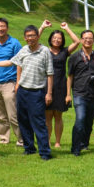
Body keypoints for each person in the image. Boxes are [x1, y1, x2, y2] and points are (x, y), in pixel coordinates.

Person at [0, 24, 54, 159]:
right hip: (22, 91)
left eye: (33, 35)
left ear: (38, 36)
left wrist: (49, 93)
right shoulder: (24, 50)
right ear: (25, 38)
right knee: (23, 121)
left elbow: (50, 74)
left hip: (37, 92)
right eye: (28, 36)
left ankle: (44, 152)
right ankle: (29, 148)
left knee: (38, 122)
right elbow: (10, 62)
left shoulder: (45, 51)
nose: (30, 38)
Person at [66, 28, 94, 156]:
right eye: (85, 38)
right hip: (79, 93)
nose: (88, 40)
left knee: (89, 121)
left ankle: (84, 144)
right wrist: (68, 95)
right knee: (80, 119)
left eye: (90, 38)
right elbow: (70, 76)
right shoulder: (74, 57)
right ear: (81, 40)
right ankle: (75, 148)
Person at [0, 17, 22, 145]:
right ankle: (4, 138)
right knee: (0, 114)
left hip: (10, 82)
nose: (0, 29)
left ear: (7, 28)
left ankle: (21, 139)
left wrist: (18, 82)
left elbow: (20, 63)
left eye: (2, 26)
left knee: (13, 114)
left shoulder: (15, 43)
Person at [41, 19, 74, 149]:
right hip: (46, 86)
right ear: (50, 39)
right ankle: (48, 141)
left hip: (61, 86)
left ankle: (58, 142)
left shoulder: (65, 52)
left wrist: (67, 28)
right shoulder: (44, 50)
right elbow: (34, 40)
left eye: (59, 38)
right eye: (54, 38)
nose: (57, 40)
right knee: (48, 116)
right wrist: (42, 27)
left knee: (58, 116)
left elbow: (77, 42)